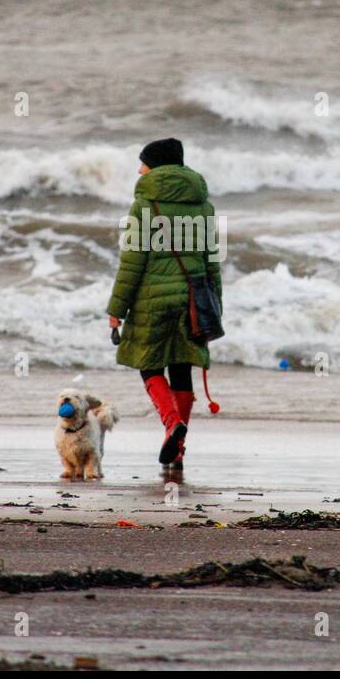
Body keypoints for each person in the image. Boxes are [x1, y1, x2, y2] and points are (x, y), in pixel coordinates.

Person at [106, 138, 221, 469]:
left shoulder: (144, 204)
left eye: (143, 163)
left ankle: (173, 424)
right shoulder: (203, 204)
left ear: (155, 166)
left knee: (149, 363)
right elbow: (212, 261)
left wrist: (116, 309)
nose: (139, 169)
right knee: (181, 365)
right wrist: (215, 308)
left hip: (151, 299)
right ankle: (179, 450)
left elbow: (132, 262)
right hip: (191, 299)